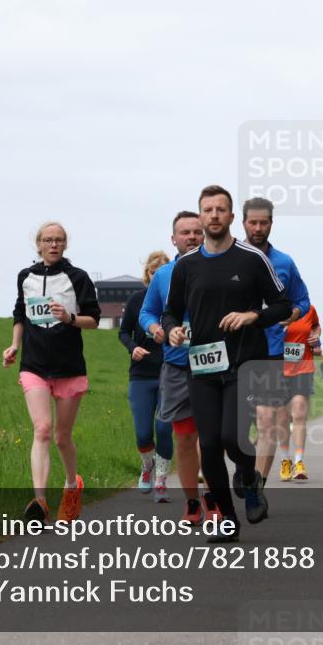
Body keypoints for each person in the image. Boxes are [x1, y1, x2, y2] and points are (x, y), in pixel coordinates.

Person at [162, 185, 292, 542]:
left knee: (233, 438)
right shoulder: (186, 266)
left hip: (243, 362)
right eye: (208, 210)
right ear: (200, 217)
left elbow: (283, 305)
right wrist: (172, 330)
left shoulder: (251, 259)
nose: (214, 215)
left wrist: (252, 315)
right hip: (202, 365)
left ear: (232, 217)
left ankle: (248, 478)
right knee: (210, 444)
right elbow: (171, 310)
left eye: (221, 209)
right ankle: (228, 519)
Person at [4, 222, 100, 523]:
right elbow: (20, 314)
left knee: (62, 436)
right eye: (48, 240)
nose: (53, 245)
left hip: (69, 366)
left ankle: (72, 485)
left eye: (59, 240)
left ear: (65, 244)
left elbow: (94, 319)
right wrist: (14, 345)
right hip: (34, 365)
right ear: (38, 244)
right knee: (42, 429)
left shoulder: (78, 277)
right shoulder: (25, 276)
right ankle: (40, 502)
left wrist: (70, 317)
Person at [139, 211, 221, 524]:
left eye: (196, 232)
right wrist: (155, 329)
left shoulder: (219, 269)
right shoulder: (164, 275)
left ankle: (215, 497)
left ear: (205, 235)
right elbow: (147, 313)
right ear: (173, 239)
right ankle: (192, 503)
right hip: (176, 367)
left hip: (214, 363)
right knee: (185, 439)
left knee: (212, 439)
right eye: (184, 233)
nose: (191, 237)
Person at [241, 197, 311, 487]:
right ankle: (233, 474)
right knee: (231, 430)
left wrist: (292, 314)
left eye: (264, 222)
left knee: (267, 422)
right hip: (232, 353)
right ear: (242, 222)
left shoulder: (283, 262)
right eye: (253, 222)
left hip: (270, 354)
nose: (258, 228)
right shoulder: (230, 256)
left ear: (271, 223)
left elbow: (303, 300)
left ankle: (257, 485)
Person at [119, 251, 174, 502]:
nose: (158, 277)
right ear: (148, 274)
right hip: (141, 374)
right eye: (154, 272)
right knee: (143, 433)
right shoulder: (136, 300)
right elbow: (123, 333)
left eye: (163, 272)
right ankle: (147, 466)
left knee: (163, 428)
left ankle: (161, 479)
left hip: (169, 372)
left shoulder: (176, 302)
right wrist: (133, 348)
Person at [282, 304, 321, 480]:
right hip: (278, 370)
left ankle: (299, 461)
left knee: (298, 414)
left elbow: (316, 326)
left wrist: (316, 336)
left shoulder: (308, 309)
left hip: (303, 368)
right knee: (282, 419)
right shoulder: (272, 309)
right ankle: (285, 460)